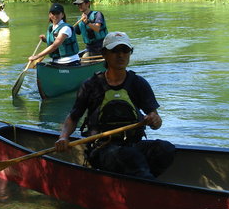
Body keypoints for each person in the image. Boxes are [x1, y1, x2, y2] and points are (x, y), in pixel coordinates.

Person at [54, 31, 175, 179]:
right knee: (131, 157)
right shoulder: (90, 85)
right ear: (104, 54)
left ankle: (142, 180)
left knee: (166, 149)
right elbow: (73, 117)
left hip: (132, 145)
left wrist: (155, 120)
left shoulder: (139, 83)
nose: (121, 55)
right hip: (101, 149)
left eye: (125, 50)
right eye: (115, 51)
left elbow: (156, 121)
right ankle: (145, 184)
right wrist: (63, 137)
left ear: (130, 53)